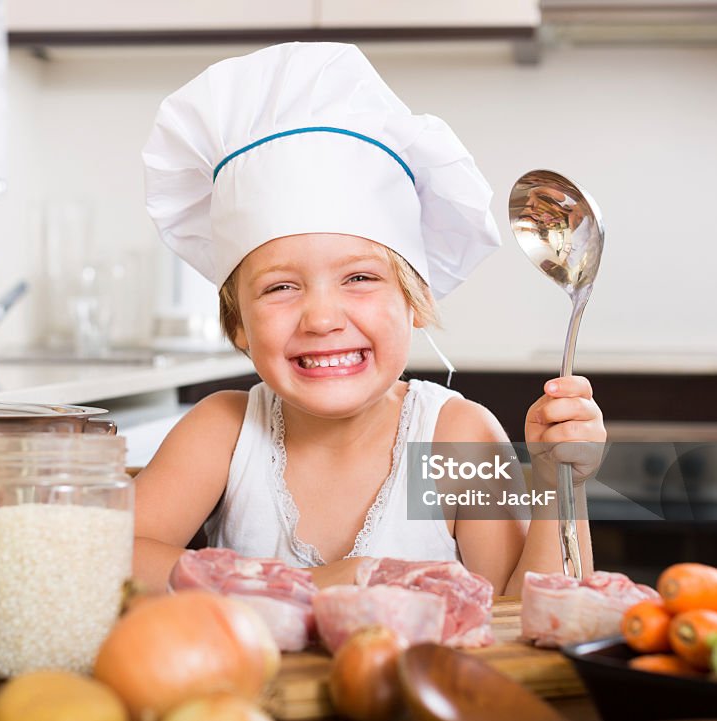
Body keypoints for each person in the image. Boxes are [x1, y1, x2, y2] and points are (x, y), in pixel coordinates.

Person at [134, 42, 605, 595]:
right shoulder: (224, 432)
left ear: (415, 302)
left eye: (359, 278)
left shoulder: (454, 439)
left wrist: (558, 486)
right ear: (239, 324)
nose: (321, 317)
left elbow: (525, 612)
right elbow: (113, 555)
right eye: (281, 287)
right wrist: (302, 586)